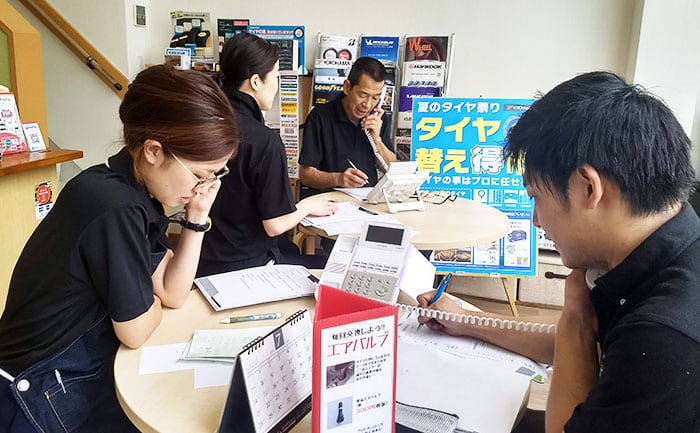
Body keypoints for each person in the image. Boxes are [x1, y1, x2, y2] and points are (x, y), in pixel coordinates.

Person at [417, 71, 700, 433]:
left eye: (535, 197)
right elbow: (580, 348)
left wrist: (576, 318)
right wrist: (467, 321)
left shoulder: (665, 338)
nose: (536, 220)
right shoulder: (668, 254)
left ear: (587, 188)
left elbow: (578, 348)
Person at [0, 65, 239, 432]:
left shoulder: (138, 194)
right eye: (200, 175)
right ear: (154, 151)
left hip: (68, 379)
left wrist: (196, 217)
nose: (204, 187)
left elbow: (172, 292)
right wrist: (149, 300)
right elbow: (136, 329)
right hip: (32, 395)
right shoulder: (114, 204)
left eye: (215, 177)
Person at [197, 32, 336, 277]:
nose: (277, 84)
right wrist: (306, 205)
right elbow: (274, 225)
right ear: (255, 81)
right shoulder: (264, 140)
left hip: (204, 258)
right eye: (276, 76)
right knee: (334, 267)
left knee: (291, 249)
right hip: (248, 267)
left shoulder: (205, 123)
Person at [298, 56, 397, 199]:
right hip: (330, 203)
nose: (368, 104)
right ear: (347, 87)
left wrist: (377, 140)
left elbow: (392, 169)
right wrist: (338, 179)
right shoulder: (320, 117)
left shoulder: (378, 118)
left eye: (375, 98)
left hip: (367, 201)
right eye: (363, 95)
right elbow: (306, 175)